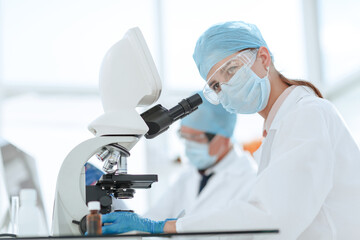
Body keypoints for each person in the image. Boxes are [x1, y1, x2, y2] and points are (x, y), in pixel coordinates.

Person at [100, 21, 360, 239]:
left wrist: (162, 227)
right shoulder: (281, 126)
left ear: (263, 58)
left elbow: (270, 217)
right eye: (215, 85)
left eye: (232, 70)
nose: (226, 86)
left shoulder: (306, 115)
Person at [143, 91, 257, 221]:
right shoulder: (188, 176)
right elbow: (154, 217)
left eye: (196, 138)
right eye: (184, 136)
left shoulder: (250, 180)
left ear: (224, 137)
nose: (189, 145)